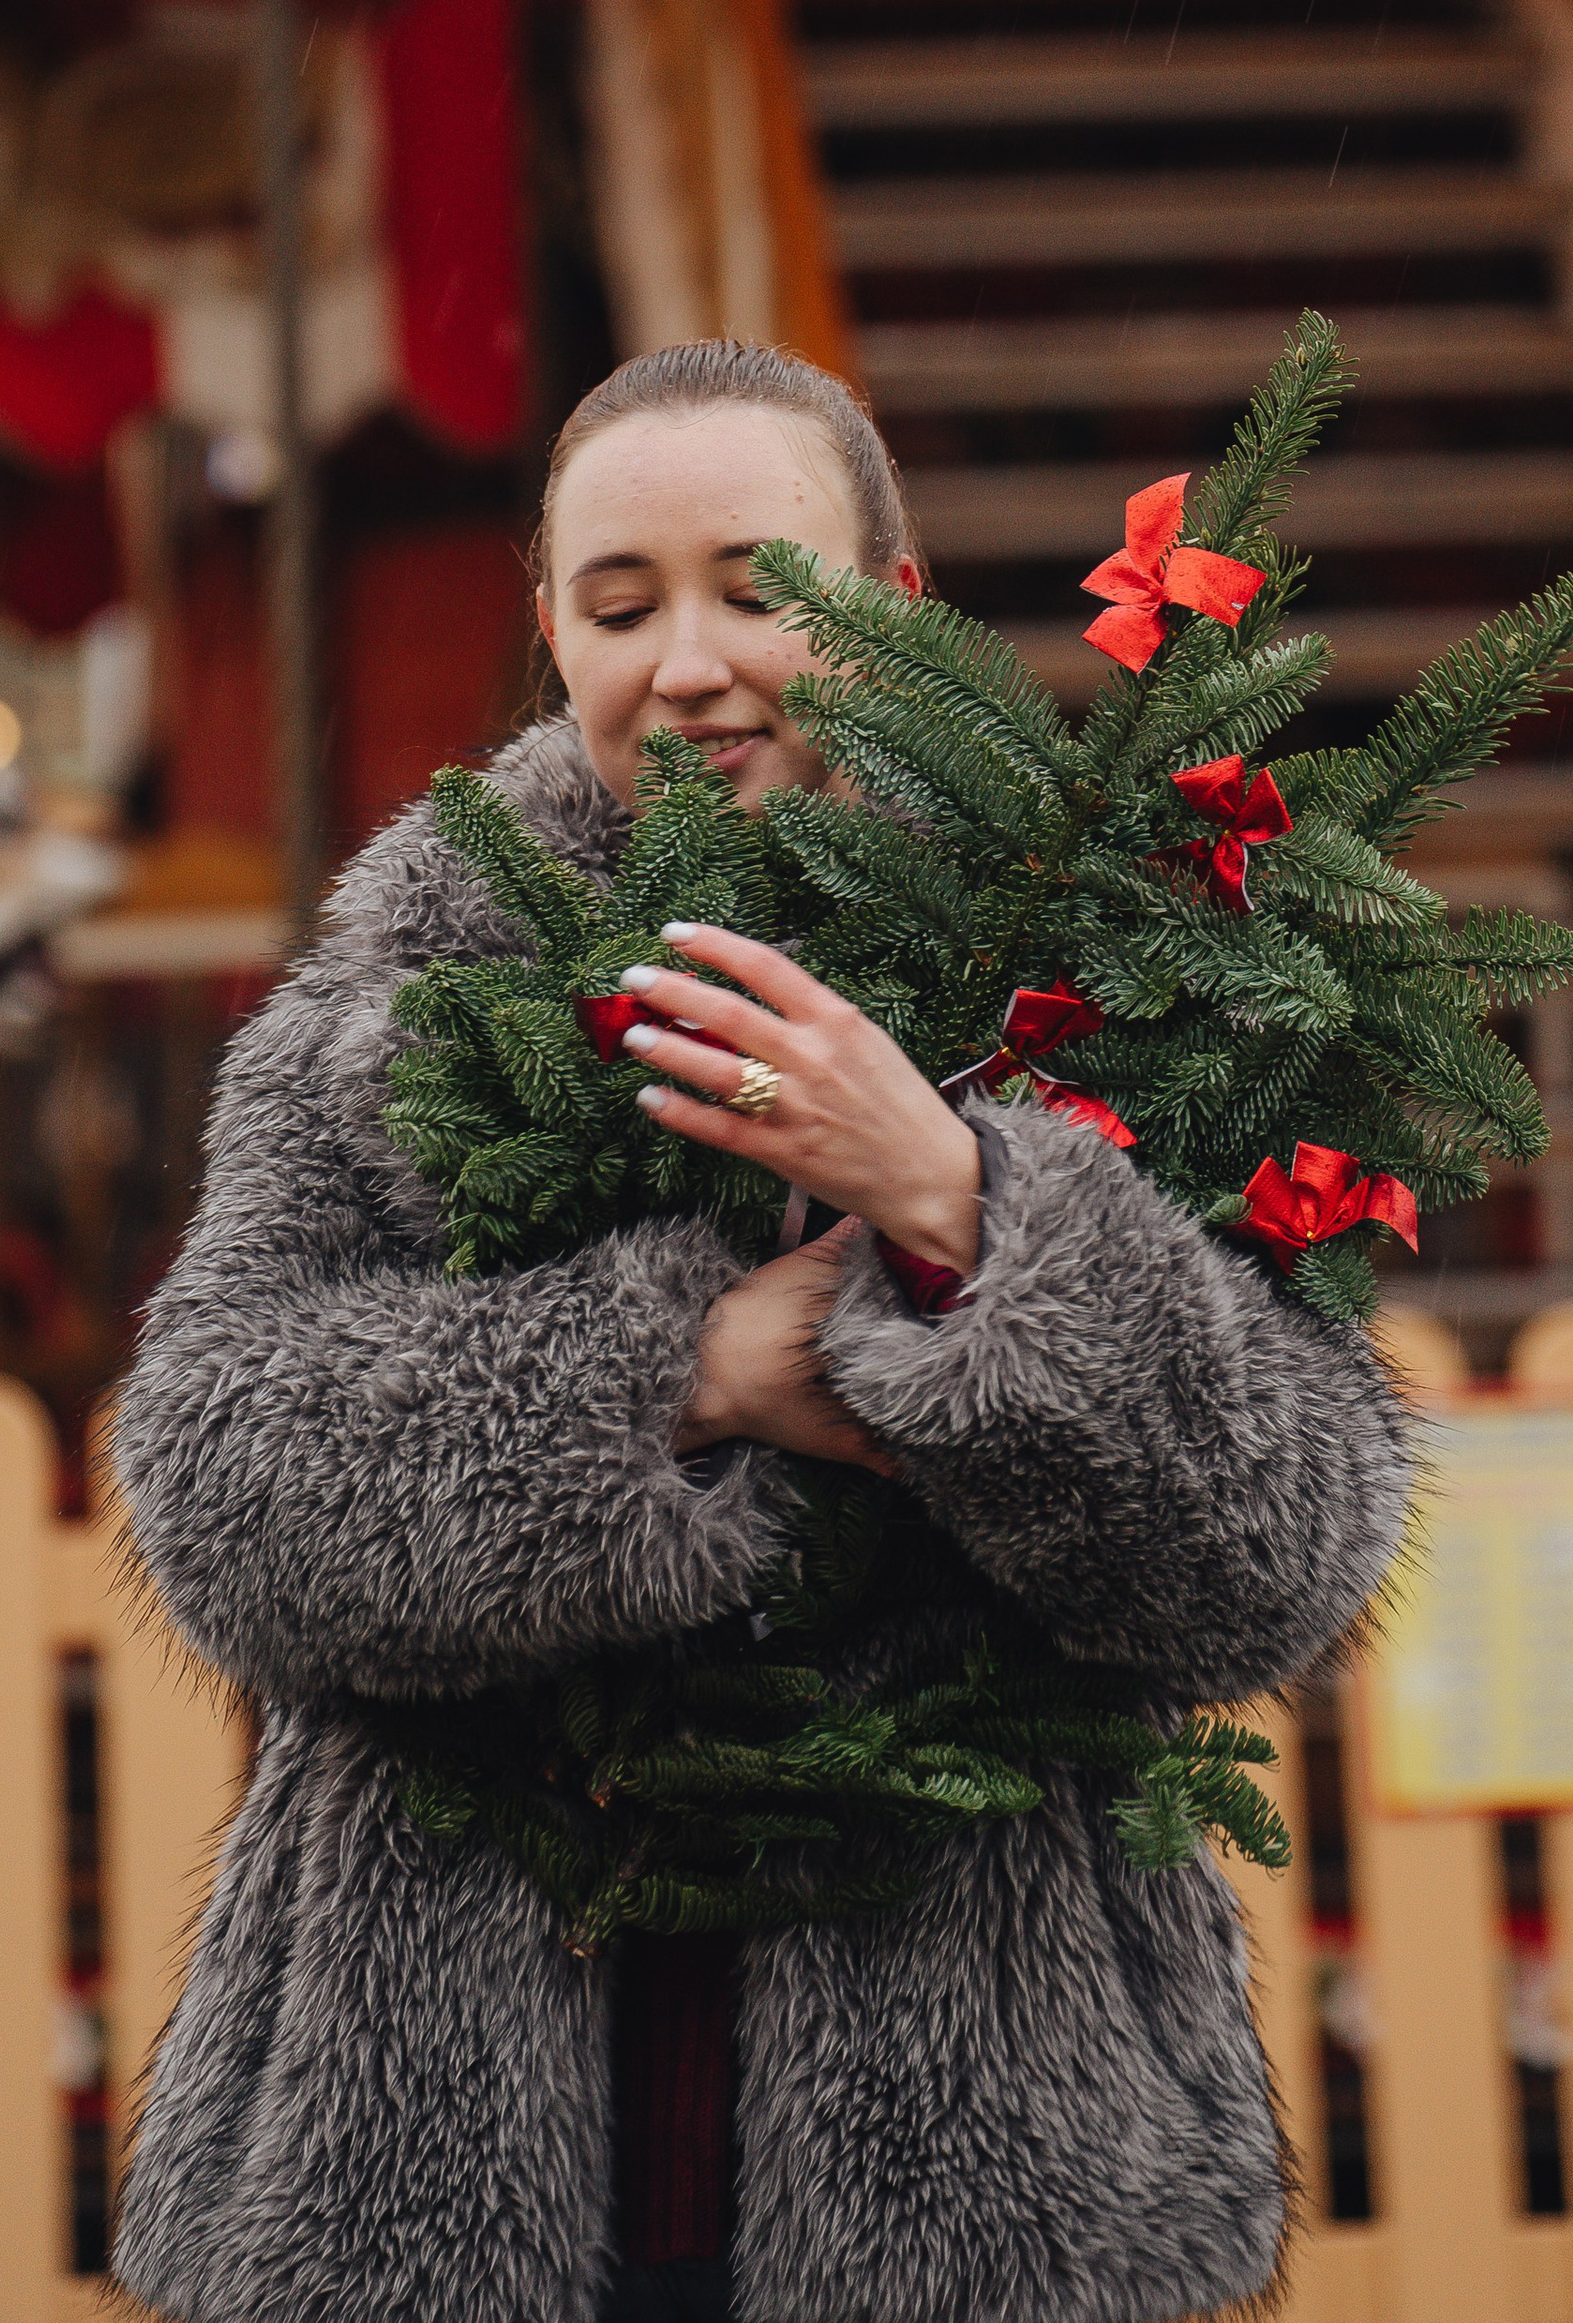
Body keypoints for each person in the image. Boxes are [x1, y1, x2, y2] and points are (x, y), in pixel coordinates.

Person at [110, 338, 1415, 2323]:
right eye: (621, 606)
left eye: (757, 589)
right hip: (429, 2165)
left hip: (994, 2160)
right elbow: (216, 1489)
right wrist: (685, 1376)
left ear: (889, 608)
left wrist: (958, 1203)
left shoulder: (1102, 984)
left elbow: (1279, 1558)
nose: (690, 661)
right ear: (549, 629)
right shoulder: (391, 1010)